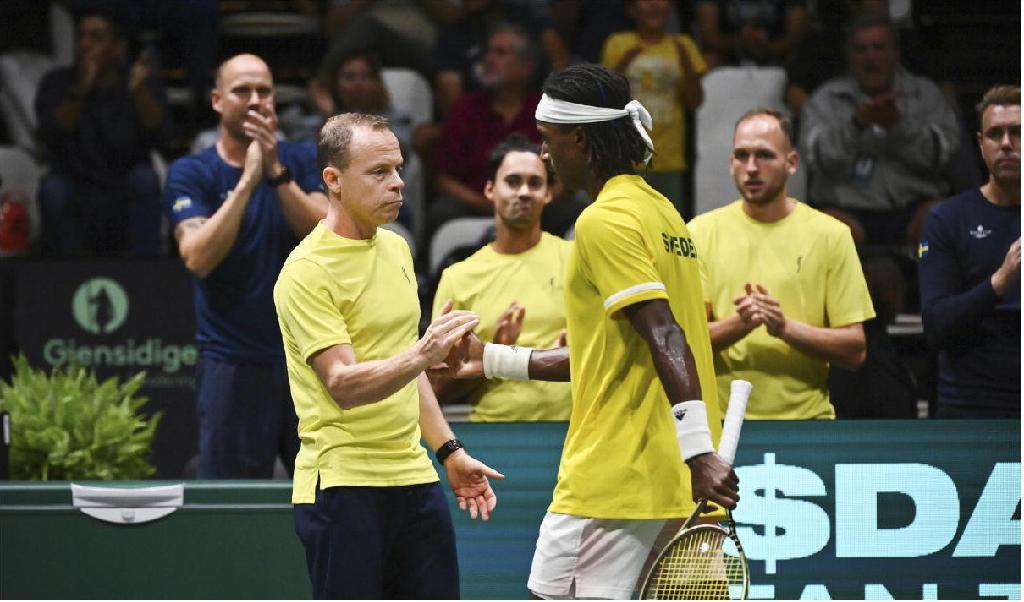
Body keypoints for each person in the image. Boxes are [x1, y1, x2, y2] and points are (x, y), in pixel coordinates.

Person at [450, 64, 738, 600]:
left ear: (579, 138)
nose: (544, 154)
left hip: (614, 476)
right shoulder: (666, 215)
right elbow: (610, 356)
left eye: (548, 139)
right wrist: (489, 358)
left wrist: (700, 453)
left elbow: (668, 337)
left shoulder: (603, 221)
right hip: (669, 478)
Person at [273, 112, 502, 598]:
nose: (397, 184)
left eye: (397, 169)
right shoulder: (306, 272)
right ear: (332, 180)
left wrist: (449, 452)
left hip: (414, 478)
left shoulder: (397, 249)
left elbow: (403, 368)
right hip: (342, 486)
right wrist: (422, 354)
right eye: (378, 173)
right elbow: (344, 384)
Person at [162, 54, 328, 478]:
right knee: (228, 505)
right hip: (231, 362)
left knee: (329, 501)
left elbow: (327, 235)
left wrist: (274, 171)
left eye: (265, 91)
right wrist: (248, 180)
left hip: (310, 360)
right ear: (217, 100)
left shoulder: (304, 160)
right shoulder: (192, 171)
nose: (256, 101)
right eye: (242, 91)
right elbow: (197, 257)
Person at [690, 108, 874, 420]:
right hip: (721, 425)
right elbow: (685, 344)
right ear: (730, 162)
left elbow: (855, 349)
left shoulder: (831, 236)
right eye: (741, 155)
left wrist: (784, 327)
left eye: (764, 155)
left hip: (807, 423)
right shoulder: (699, 233)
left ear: (791, 163)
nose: (751, 168)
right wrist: (741, 323)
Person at [429, 134, 572, 421]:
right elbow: (434, 390)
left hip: (574, 432)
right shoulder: (459, 277)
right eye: (513, 181)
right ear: (490, 189)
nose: (523, 192)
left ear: (547, 194)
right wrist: (494, 352)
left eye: (534, 183)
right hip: (492, 434)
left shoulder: (577, 260)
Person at [800, 15, 960, 246]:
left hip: (913, 209)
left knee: (940, 217)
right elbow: (818, 160)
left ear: (895, 53)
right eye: (861, 49)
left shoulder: (927, 94)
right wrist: (855, 124)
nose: (870, 57)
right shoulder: (824, 99)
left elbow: (940, 159)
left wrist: (897, 127)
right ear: (849, 57)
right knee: (827, 229)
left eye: (878, 47)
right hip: (847, 210)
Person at [918, 85, 1021, 418]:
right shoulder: (948, 219)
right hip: (970, 411)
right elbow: (936, 325)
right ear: (980, 144)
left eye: (1017, 132)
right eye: (995, 134)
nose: (1006, 143)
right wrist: (1000, 282)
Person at [35, 10, 165, 257]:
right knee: (53, 190)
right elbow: (51, 136)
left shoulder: (139, 83)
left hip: (122, 188)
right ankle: (63, 280)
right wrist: (81, 90)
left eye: (96, 38)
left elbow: (159, 137)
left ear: (118, 48)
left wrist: (139, 95)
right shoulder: (56, 82)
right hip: (76, 186)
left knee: (145, 180)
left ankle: (146, 278)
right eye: (81, 37)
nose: (85, 45)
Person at [431, 24, 543, 231]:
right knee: (442, 211)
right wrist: (487, 204)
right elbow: (444, 180)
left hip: (536, 205)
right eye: (488, 52)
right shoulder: (465, 108)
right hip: (475, 203)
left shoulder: (545, 110)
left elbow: (565, 177)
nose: (488, 59)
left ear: (526, 66)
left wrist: (535, 202)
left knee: (570, 213)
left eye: (500, 53)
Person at [602, 0, 706, 212]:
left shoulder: (683, 45)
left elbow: (695, 102)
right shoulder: (617, 43)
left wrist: (686, 64)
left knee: (667, 227)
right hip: (626, 159)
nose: (653, 6)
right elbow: (604, 98)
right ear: (632, 8)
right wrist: (623, 63)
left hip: (670, 159)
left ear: (670, 8)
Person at [695, 0, 809, 68]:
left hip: (776, 49)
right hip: (729, 50)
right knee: (708, 60)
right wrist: (741, 42)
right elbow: (708, 36)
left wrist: (767, 48)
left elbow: (797, 37)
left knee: (799, 59)